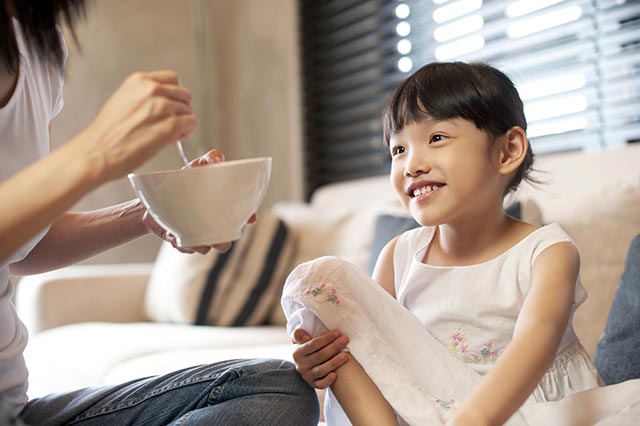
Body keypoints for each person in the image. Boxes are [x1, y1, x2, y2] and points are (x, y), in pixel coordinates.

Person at [0, 1, 318, 425]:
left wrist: (150, 212)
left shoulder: (40, 48)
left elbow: (20, 247)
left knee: (273, 390)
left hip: (12, 407)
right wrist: (94, 153)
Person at [283, 62, 640, 425]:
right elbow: (376, 353)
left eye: (436, 138)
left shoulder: (547, 252)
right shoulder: (398, 256)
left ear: (507, 151)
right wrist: (319, 361)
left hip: (524, 410)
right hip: (428, 408)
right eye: (398, 149)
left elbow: (537, 340)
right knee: (321, 282)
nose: (411, 165)